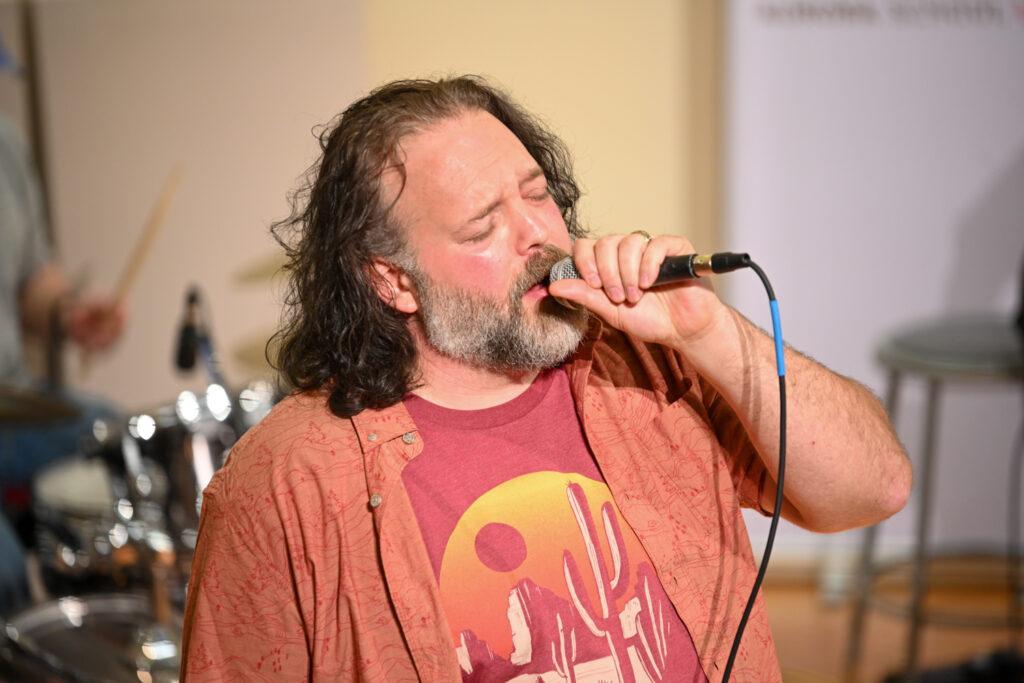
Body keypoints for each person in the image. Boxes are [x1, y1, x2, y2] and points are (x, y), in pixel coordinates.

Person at [180, 76, 911, 682]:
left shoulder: (646, 367)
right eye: (482, 227)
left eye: (537, 194)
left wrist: (707, 331)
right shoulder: (285, 482)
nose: (537, 234)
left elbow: (876, 487)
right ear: (393, 281)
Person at [0, 107, 125, 614]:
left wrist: (69, 314)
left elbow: (33, 281)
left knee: (119, 445)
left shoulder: (6, 143)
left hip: (10, 401)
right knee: (5, 576)